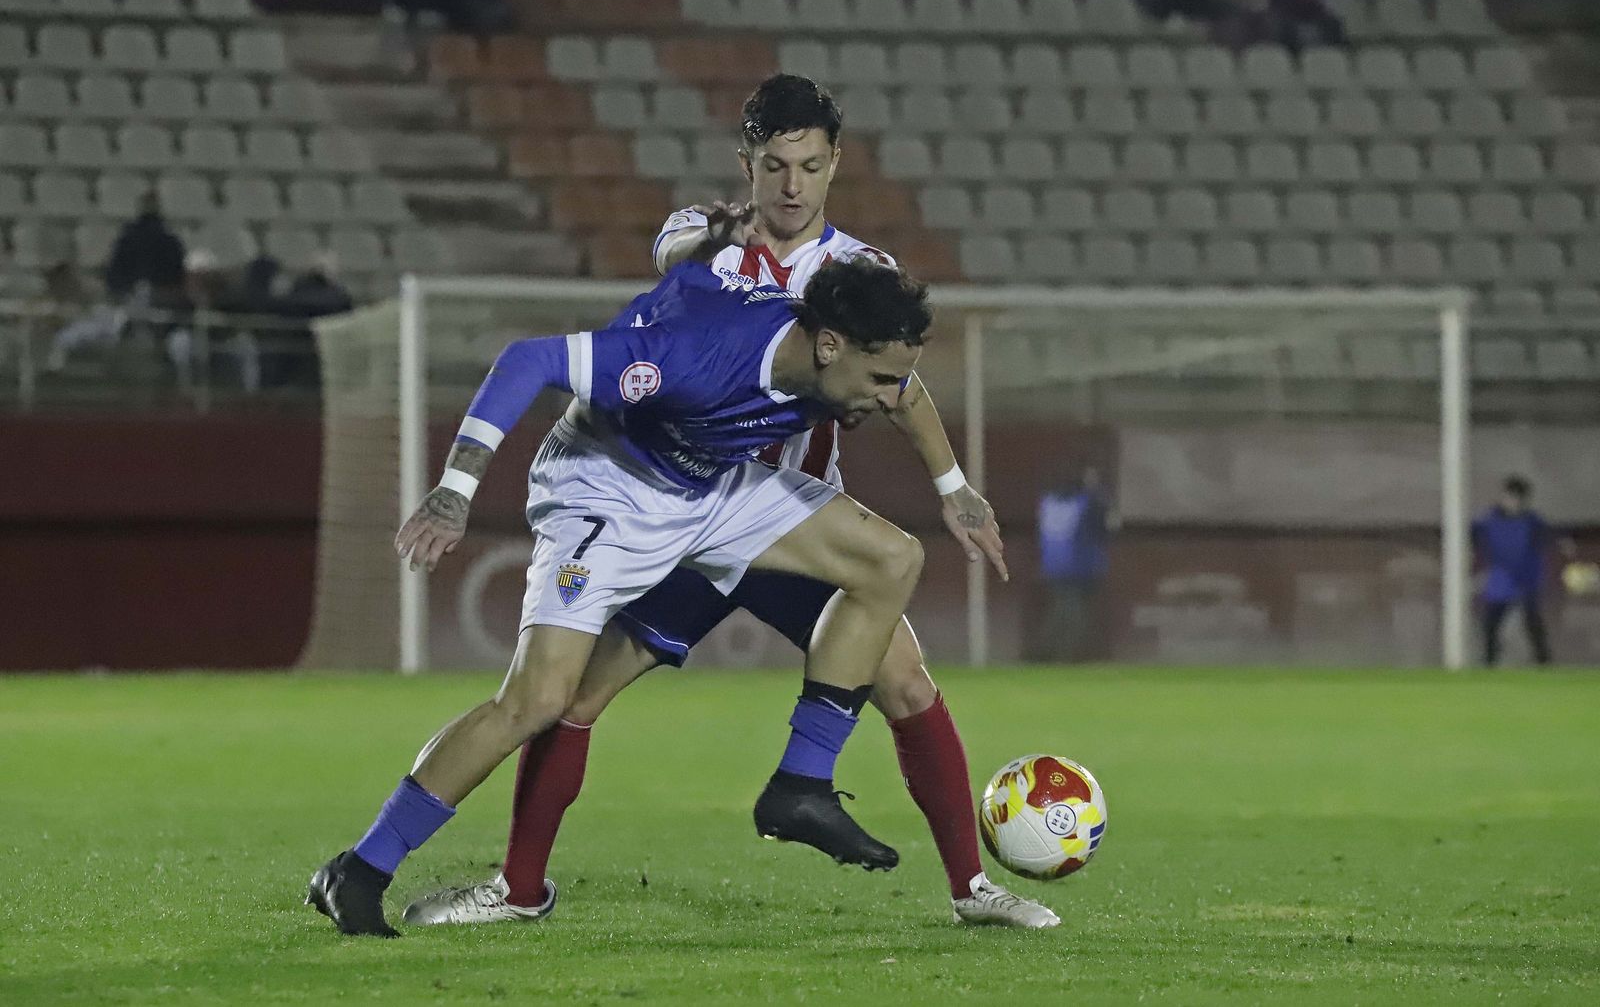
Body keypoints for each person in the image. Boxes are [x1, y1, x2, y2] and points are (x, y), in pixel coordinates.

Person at [402, 74, 1058, 931]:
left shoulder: (862, 274)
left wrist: (955, 489)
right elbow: (681, 269)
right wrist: (714, 238)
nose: (793, 187)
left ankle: (969, 887)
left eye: (812, 167)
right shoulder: (702, 238)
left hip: (794, 526)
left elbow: (903, 390)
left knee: (904, 680)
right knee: (575, 698)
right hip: (677, 515)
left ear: (834, 167)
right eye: (777, 165)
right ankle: (519, 888)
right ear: (747, 163)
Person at [306, 256, 961, 937]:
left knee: (891, 558)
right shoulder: (691, 359)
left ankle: (801, 785)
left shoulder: (819, 353)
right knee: (537, 702)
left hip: (709, 486)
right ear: (830, 346)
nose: (893, 398)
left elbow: (693, 277)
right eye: (884, 379)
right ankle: (360, 869)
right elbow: (526, 360)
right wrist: (455, 489)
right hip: (607, 490)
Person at [1473, 475, 1573, 666]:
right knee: (1491, 624)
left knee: (1533, 623)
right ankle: (1489, 662)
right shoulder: (1489, 522)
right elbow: (1477, 541)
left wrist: (1563, 544)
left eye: (1517, 498)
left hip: (1525, 581)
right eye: (1510, 497)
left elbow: (1551, 539)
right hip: (1501, 580)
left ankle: (1543, 662)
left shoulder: (1533, 523)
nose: (1513, 502)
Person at [1035, 467, 1114, 662]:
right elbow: (1104, 528)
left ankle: (1048, 653)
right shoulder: (1086, 503)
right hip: (1080, 567)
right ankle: (1059, 656)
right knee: (1073, 615)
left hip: (1052, 566)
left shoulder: (1048, 502)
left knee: (1061, 610)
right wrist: (1095, 489)